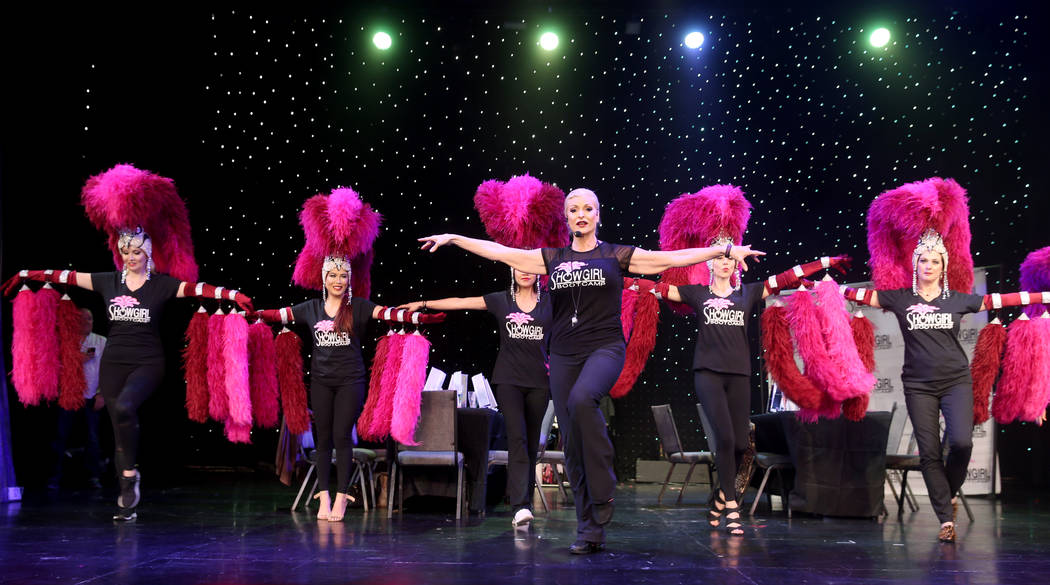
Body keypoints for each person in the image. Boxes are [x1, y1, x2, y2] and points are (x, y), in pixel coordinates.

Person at [419, 187, 765, 554]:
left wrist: (723, 250)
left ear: (598, 215)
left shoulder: (616, 255)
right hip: (564, 354)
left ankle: (604, 485)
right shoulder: (552, 258)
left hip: (605, 348)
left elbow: (670, 259)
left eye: (588, 208)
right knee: (571, 445)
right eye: (573, 209)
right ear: (566, 219)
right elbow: (505, 253)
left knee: (584, 400)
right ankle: (590, 529)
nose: (581, 214)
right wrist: (455, 238)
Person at [3, 164, 254, 522]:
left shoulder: (162, 285)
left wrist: (231, 295)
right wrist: (30, 274)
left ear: (147, 252)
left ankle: (129, 475)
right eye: (126, 251)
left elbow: (197, 289)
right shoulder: (108, 281)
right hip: (113, 362)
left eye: (137, 251)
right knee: (118, 427)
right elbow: (68, 277)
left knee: (123, 409)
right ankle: (126, 486)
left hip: (148, 362)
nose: (132, 257)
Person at [661, 253, 849, 535]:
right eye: (719, 258)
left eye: (730, 259)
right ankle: (733, 505)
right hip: (708, 374)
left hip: (739, 375)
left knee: (739, 444)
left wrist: (822, 263)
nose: (725, 263)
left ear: (736, 264)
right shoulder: (696, 293)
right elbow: (656, 289)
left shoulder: (747, 293)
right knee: (724, 438)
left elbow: (785, 277)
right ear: (710, 263)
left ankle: (719, 498)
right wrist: (615, 273)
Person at [399, 268, 551, 529]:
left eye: (530, 267)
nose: (525, 273)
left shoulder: (551, 301)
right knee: (517, 437)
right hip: (508, 381)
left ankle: (524, 502)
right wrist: (423, 304)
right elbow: (461, 302)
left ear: (538, 272)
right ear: (512, 270)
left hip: (540, 382)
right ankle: (521, 506)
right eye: (519, 267)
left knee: (529, 445)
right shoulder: (502, 300)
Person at [48, 307, 107, 490]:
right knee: (60, 436)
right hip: (68, 395)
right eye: (82, 319)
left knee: (93, 438)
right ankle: (54, 477)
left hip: (91, 395)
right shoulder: (65, 341)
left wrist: (102, 394)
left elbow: (109, 370)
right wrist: (75, 360)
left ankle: (93, 476)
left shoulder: (101, 341)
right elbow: (53, 367)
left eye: (89, 319)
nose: (86, 322)